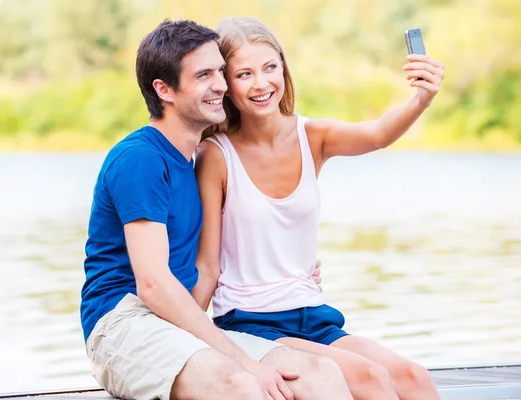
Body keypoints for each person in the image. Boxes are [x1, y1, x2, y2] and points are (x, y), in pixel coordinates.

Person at [80, 18, 353, 400]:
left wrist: (292, 267)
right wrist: (243, 359)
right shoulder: (140, 159)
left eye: (221, 72)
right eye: (204, 75)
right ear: (164, 90)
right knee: (240, 381)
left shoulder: (198, 162)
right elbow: (154, 284)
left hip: (173, 319)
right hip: (124, 321)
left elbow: (216, 257)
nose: (222, 85)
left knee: (317, 374)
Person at [194, 17, 446, 400]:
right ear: (226, 85)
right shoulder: (216, 156)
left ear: (283, 68)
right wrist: (187, 331)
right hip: (250, 323)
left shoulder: (312, 136)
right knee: (368, 377)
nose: (261, 84)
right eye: (244, 74)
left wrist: (421, 98)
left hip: (312, 313)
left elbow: (377, 134)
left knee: (412, 377)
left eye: (269, 68)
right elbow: (207, 265)